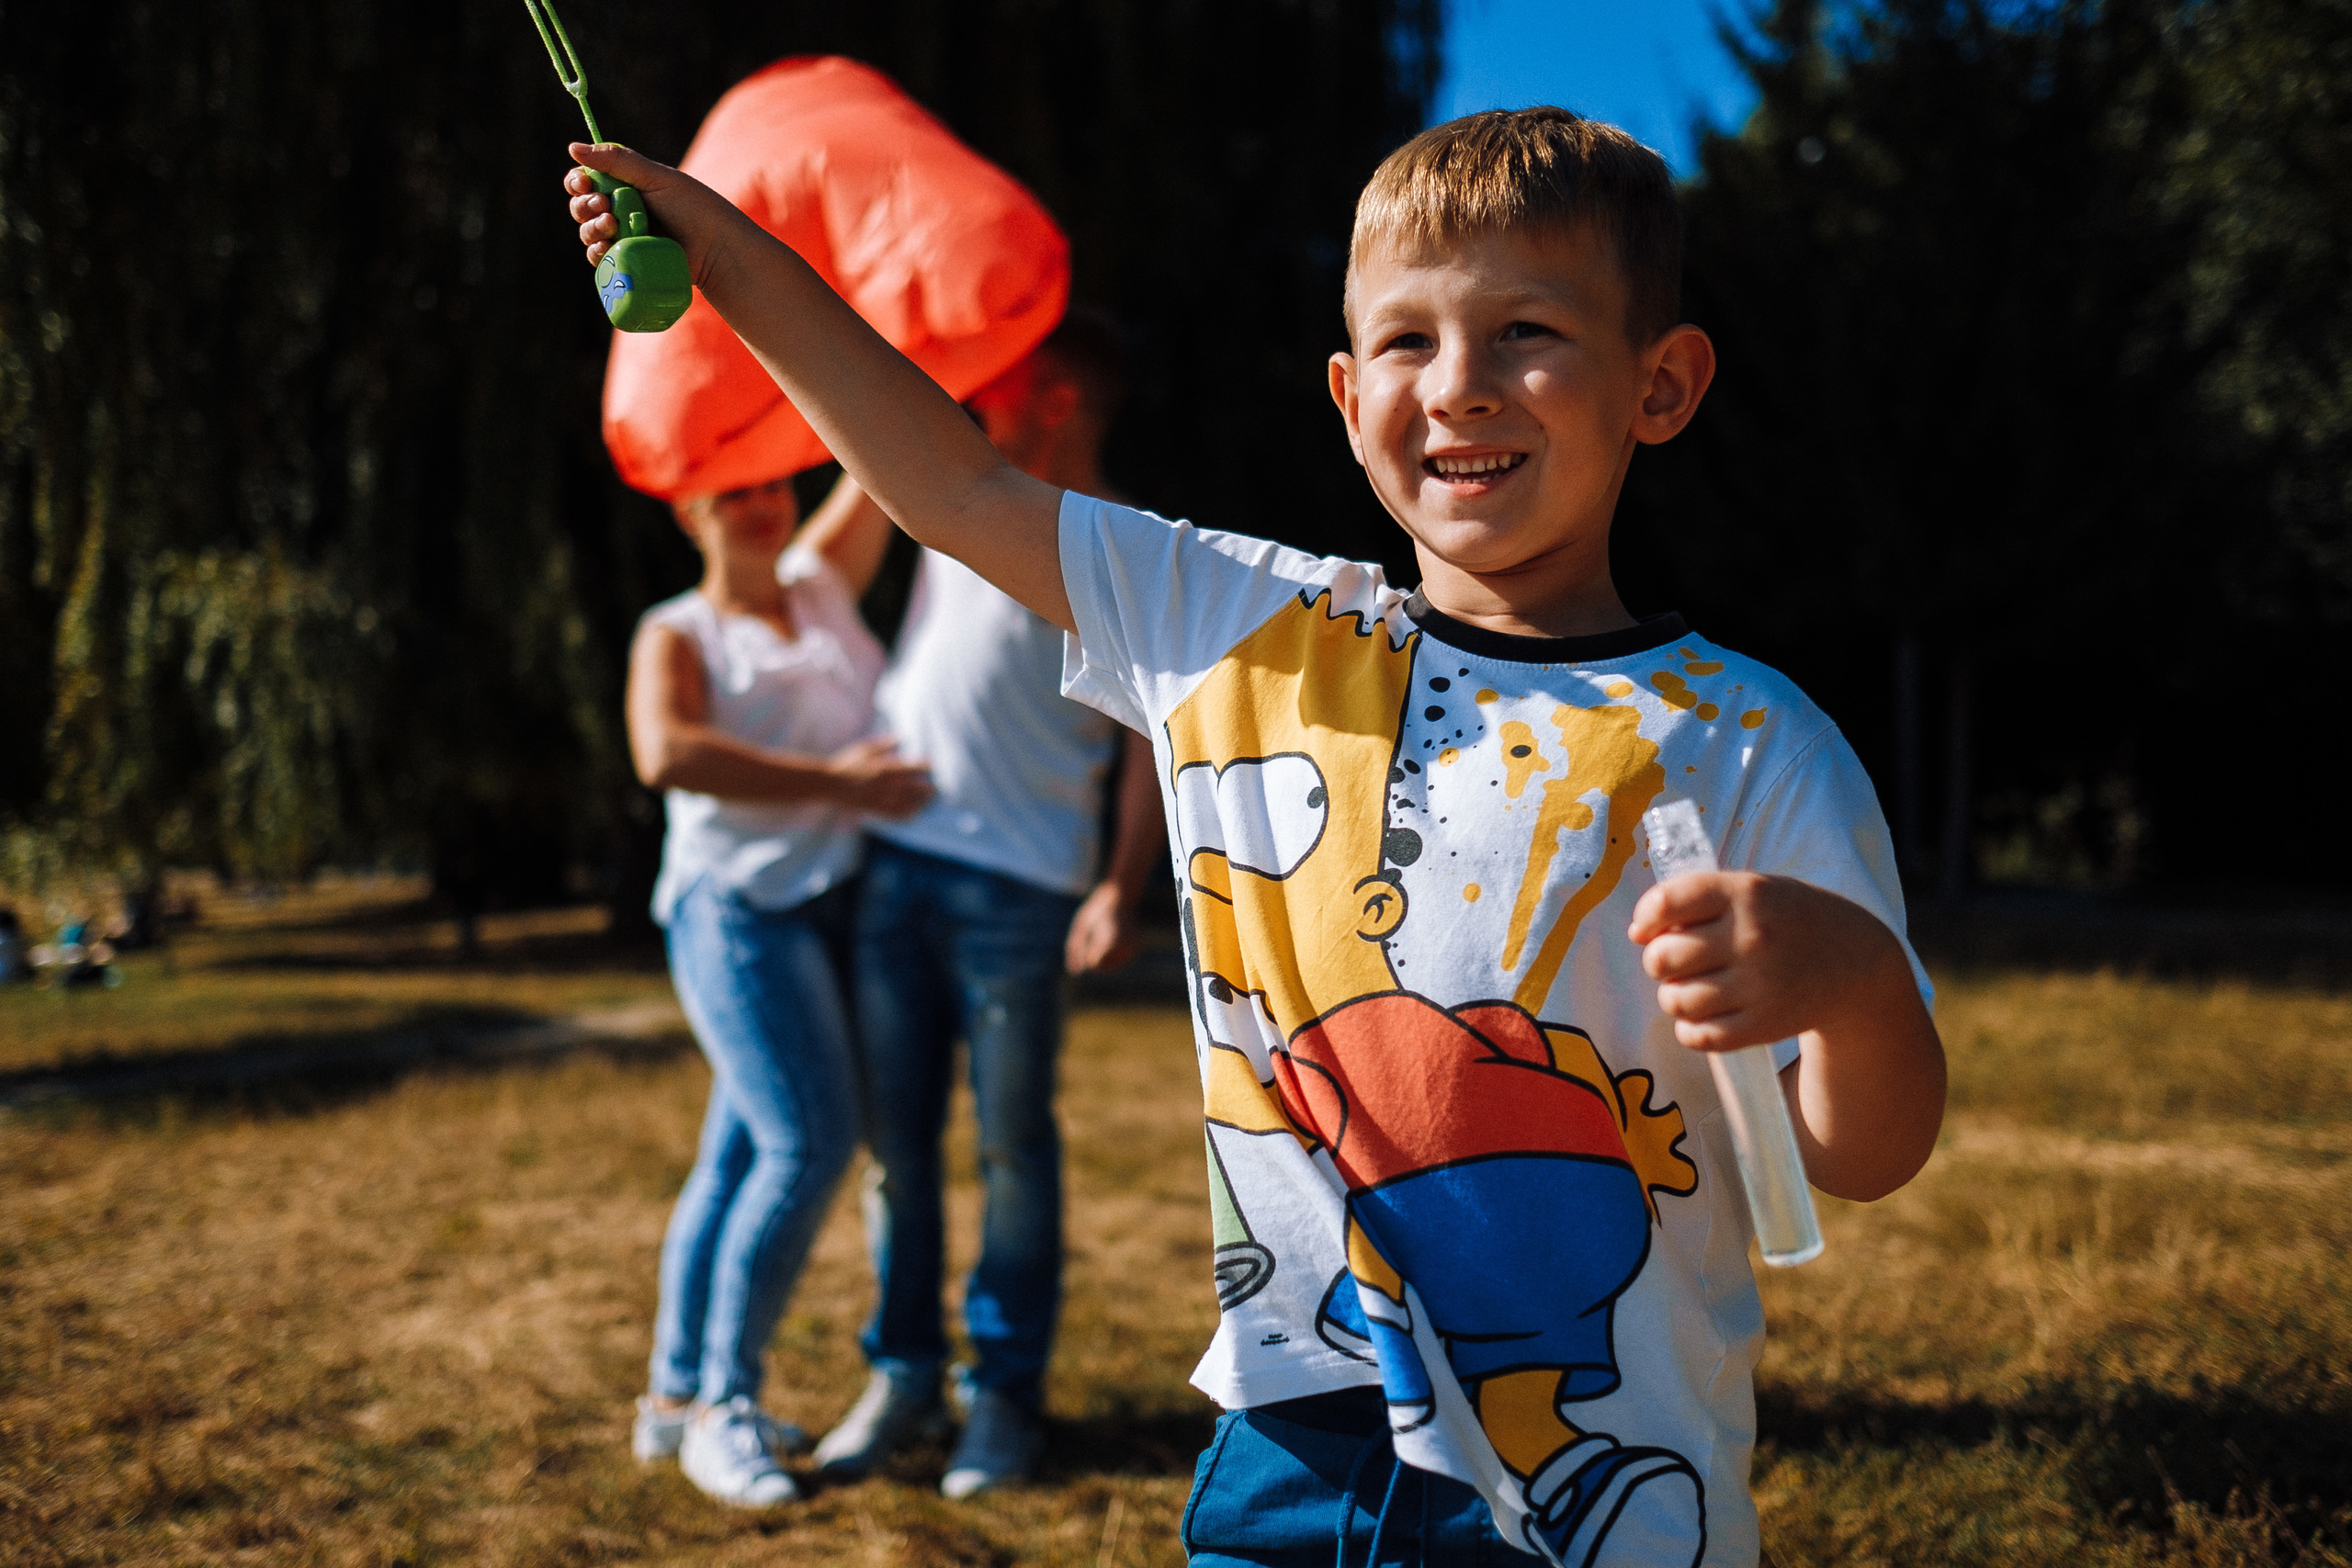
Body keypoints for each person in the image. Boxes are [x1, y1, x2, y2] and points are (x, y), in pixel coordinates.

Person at [564, 102, 1946, 1567]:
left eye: (1527, 331)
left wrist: (1854, 984)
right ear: (1349, 402)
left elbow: (1863, 1155)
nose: (1461, 387)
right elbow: (951, 483)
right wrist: (720, 253)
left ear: (1658, 386)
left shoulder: (1744, 735)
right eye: (1408, 342)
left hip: (1606, 1471)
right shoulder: (1229, 625)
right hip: (1287, 1446)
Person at [807, 311, 1168, 1499]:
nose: (968, 400)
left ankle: (1002, 1394)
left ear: (1056, 397)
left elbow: (1145, 752)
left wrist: (1119, 889)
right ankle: (904, 1371)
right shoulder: (957, 502)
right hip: (897, 865)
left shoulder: (1123, 547)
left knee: (1013, 1146)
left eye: (997, 385)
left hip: (1024, 889)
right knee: (896, 1147)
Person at [624, 469, 932, 1508]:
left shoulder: (818, 583)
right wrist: (840, 785)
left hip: (831, 906)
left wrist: (911, 342)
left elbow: (873, 459)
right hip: (738, 913)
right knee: (807, 1144)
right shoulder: (677, 631)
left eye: (768, 485)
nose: (757, 506)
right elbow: (663, 753)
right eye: (728, 493)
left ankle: (673, 1398)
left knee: (738, 1153)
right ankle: (725, 1407)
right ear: (687, 511)